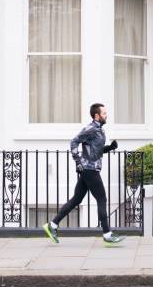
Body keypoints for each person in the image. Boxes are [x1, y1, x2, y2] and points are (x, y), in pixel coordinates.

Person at [43, 103, 125, 245]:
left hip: (90, 169)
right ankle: (107, 234)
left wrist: (110, 148)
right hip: (89, 170)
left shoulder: (99, 130)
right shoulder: (91, 128)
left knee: (76, 200)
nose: (107, 115)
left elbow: (95, 151)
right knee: (102, 199)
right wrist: (78, 162)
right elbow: (74, 141)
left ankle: (53, 225)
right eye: (104, 113)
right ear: (97, 115)